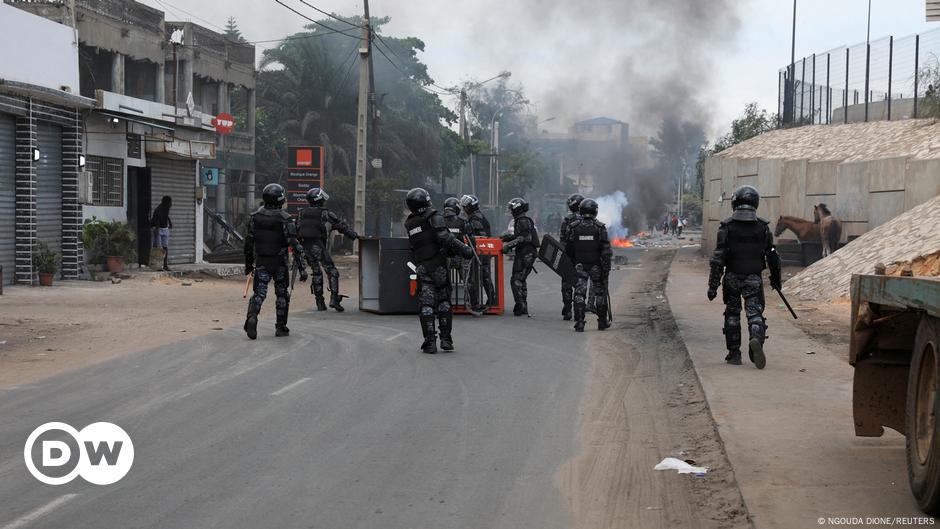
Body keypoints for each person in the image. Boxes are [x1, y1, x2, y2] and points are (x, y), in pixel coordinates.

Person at [707, 185, 782, 369]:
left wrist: (713, 286)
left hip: (732, 276)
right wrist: (776, 280)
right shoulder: (763, 228)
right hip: (753, 278)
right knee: (754, 313)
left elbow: (718, 258)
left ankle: (734, 354)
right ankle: (756, 338)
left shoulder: (726, 227)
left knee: (732, 314)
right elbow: (773, 256)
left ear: (735, 202)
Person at [404, 188, 474, 354]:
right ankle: (446, 339)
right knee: (443, 300)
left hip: (421, 266)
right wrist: (464, 249)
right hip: (438, 264)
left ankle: (429, 342)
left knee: (426, 303)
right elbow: (444, 237)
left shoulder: (410, 222)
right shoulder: (433, 216)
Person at [243, 183, 309, 340]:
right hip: (279, 263)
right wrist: (302, 268)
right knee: (282, 295)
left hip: (262, 262)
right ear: (280, 199)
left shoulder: (255, 218)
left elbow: (248, 244)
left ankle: (252, 317)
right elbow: (295, 244)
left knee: (259, 294)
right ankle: (280, 327)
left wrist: (248, 265)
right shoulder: (285, 219)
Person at [296, 187, 358, 312]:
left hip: (304, 247)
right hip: (317, 245)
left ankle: (320, 302)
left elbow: (295, 229)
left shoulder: (301, 213)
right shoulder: (325, 212)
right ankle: (334, 299)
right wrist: (353, 235)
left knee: (316, 272)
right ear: (320, 199)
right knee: (332, 271)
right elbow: (341, 225)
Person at [565, 199, 612, 332]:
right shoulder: (600, 227)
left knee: (579, 293)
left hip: (580, 265)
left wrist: (572, 263)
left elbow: (569, 249)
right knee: (600, 293)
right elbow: (606, 250)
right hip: (596, 266)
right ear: (595, 211)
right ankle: (602, 321)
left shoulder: (573, 227)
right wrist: (606, 268)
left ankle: (580, 322)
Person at [501, 197, 539, 316]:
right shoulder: (521, 220)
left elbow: (526, 238)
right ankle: (523, 305)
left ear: (516, 209)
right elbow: (521, 235)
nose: (511, 211)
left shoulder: (522, 220)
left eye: (512, 209)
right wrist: (508, 238)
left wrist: (509, 245)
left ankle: (520, 305)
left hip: (526, 253)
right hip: (525, 252)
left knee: (516, 280)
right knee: (521, 280)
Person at [460, 194, 496, 312]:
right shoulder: (477, 216)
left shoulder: (475, 218)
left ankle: (491, 300)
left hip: (481, 251)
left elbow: (480, 236)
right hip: (483, 250)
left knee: (482, 275)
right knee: (483, 275)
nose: (464, 209)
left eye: (465, 207)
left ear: (470, 207)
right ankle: (491, 299)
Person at [442, 197, 476, 309]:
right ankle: (474, 305)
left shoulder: (439, 221)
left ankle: (445, 305)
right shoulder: (462, 222)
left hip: (444, 257)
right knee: (468, 281)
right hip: (460, 256)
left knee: (444, 282)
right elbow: (472, 241)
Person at [558, 193, 584, 321]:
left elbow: (562, 241)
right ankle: (580, 310)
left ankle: (567, 309)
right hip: (584, 257)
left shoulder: (567, 220)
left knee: (567, 282)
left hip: (569, 255)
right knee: (580, 283)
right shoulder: (589, 220)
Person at [150, 195, 173, 271]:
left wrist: (170, 222)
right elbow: (156, 220)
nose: (171, 204)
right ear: (166, 203)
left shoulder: (167, 208)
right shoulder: (158, 210)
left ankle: (165, 265)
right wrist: (157, 231)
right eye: (170, 202)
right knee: (158, 248)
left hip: (165, 229)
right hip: (158, 229)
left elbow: (166, 216)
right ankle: (158, 265)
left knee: (165, 247)